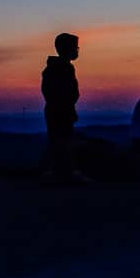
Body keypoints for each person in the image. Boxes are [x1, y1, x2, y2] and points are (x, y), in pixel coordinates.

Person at [41, 32, 87, 183]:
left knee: (60, 141)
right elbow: (54, 92)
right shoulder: (59, 69)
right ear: (66, 48)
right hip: (59, 112)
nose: (77, 51)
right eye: (75, 47)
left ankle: (59, 173)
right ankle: (65, 173)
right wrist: (65, 106)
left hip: (60, 111)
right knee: (62, 142)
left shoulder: (61, 68)